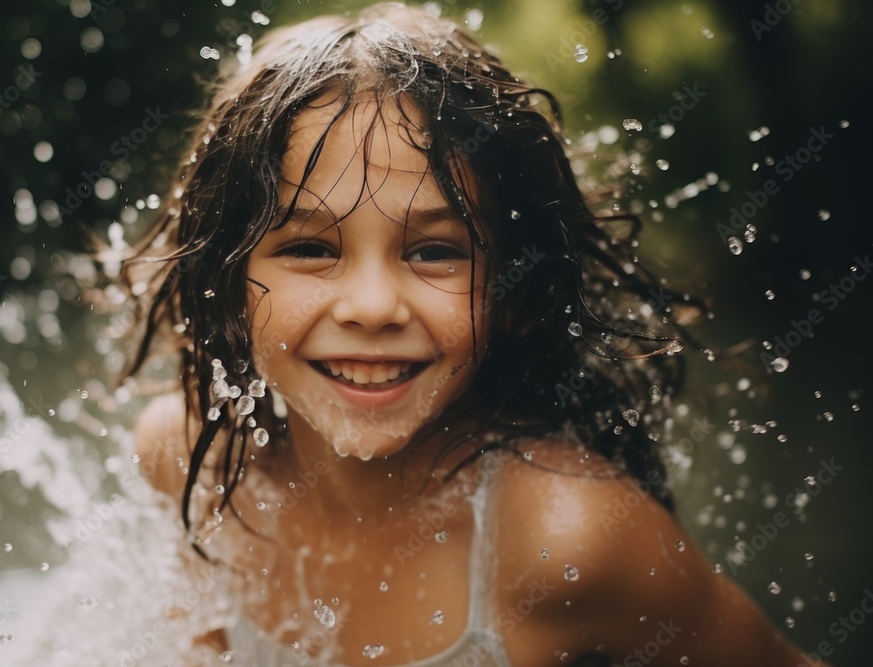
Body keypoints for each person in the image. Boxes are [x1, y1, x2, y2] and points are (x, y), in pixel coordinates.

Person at [121, 3, 819, 664]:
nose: (371, 306)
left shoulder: (569, 539)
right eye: (311, 249)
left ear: (515, 292)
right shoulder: (192, 464)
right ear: (227, 285)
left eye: (433, 252)